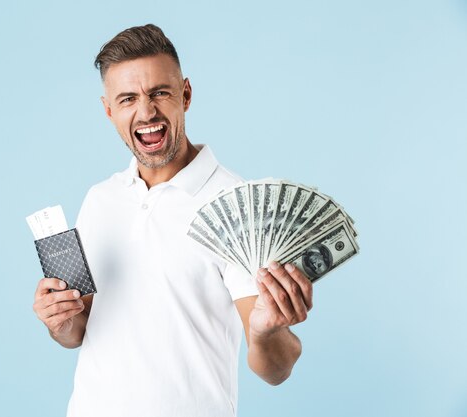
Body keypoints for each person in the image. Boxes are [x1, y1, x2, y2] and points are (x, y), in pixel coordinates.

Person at [32, 24, 314, 417]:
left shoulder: (238, 208)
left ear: (186, 94)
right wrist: (59, 322)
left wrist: (270, 332)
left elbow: (275, 369)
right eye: (128, 98)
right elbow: (77, 331)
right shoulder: (100, 200)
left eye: (159, 93)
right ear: (109, 110)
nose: (146, 112)